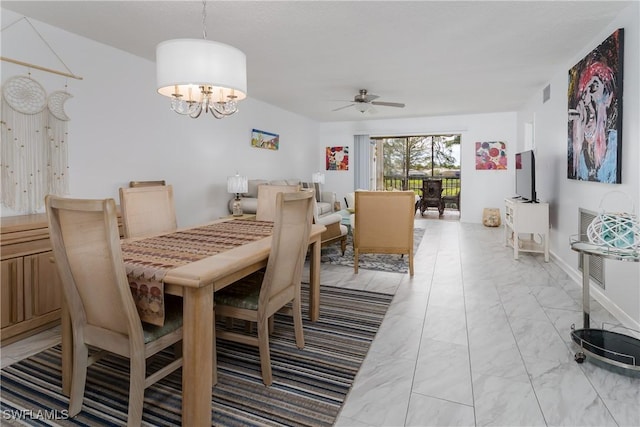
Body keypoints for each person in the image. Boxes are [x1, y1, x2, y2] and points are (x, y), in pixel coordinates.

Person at [568, 61, 618, 182]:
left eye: (594, 87)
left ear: (609, 97)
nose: (586, 99)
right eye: (584, 93)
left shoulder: (615, 145)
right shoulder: (581, 156)